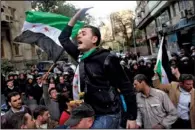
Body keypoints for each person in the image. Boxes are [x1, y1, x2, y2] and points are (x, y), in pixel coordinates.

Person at [58, 8, 137, 129]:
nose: (79, 35)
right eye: (78, 34)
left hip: (108, 114)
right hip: (88, 113)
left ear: (94, 39)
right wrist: (75, 17)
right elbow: (63, 38)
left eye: (83, 34)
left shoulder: (108, 59)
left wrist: (132, 117)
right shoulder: (81, 57)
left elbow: (126, 87)